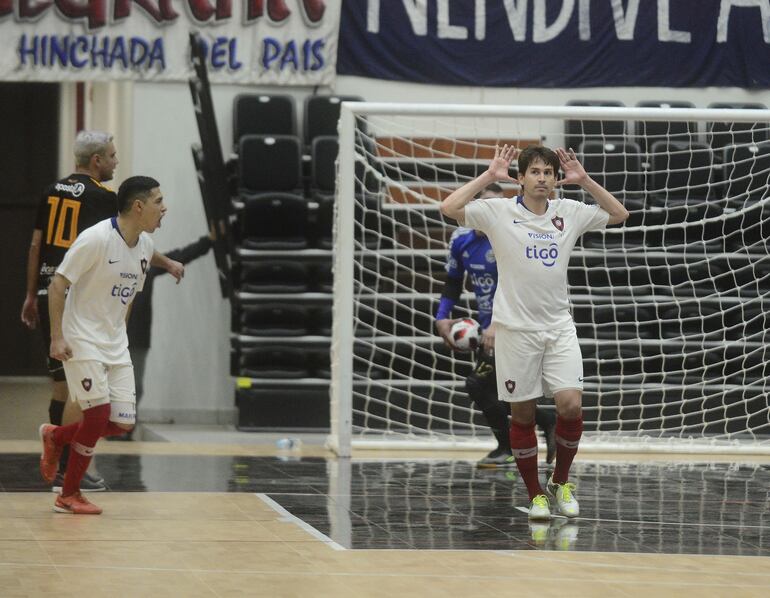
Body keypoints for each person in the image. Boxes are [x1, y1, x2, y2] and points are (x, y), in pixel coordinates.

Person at [440, 145, 629, 520]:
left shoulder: (568, 212)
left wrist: (585, 180)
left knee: (570, 404)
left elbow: (619, 214)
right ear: (521, 177)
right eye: (536, 172)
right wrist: (489, 175)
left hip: (558, 327)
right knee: (523, 415)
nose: (542, 178)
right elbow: (448, 208)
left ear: (556, 179)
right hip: (514, 331)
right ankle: (535, 495)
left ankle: (560, 481)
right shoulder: (498, 211)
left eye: (549, 172)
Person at [39, 176, 185, 514]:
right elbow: (58, 284)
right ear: (138, 206)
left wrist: (170, 264)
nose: (164, 208)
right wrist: (57, 337)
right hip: (81, 338)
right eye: (158, 201)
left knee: (122, 422)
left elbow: (146, 261)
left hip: (114, 341)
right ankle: (69, 493)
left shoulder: (145, 244)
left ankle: (56, 437)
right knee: (97, 414)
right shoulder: (95, 240)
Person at [21, 130, 120, 492]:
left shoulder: (50, 191)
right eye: (111, 155)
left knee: (62, 387)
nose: (115, 161)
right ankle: (69, 467)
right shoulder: (105, 197)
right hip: (77, 298)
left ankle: (60, 464)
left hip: (49, 294)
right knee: (84, 391)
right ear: (96, 161)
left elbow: (36, 246)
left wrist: (32, 295)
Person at [435, 183, 556, 468]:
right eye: (486, 206)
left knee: (479, 385)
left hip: (516, 323)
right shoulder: (461, 240)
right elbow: (452, 283)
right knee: (498, 390)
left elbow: (523, 286)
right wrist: (442, 316)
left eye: (498, 206)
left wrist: (498, 325)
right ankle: (545, 423)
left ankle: (509, 447)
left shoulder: (512, 238)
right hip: (488, 326)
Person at [113, 233, 212, 440]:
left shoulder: (147, 265)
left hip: (138, 336)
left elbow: (180, 256)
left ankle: (127, 424)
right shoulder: (112, 263)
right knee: (113, 382)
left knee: (135, 384)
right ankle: (112, 423)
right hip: (113, 334)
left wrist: (208, 241)